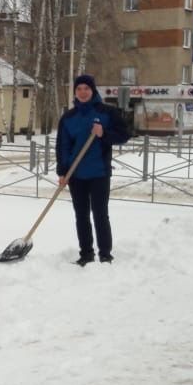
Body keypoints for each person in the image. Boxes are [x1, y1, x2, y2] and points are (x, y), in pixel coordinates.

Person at [56, 74, 131, 266]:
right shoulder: (68, 118)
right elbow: (63, 146)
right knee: (81, 215)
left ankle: (105, 254)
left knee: (100, 213)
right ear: (75, 92)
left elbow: (124, 134)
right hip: (76, 174)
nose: (82, 92)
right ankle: (86, 254)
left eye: (86, 89)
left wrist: (103, 133)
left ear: (93, 90)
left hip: (99, 173)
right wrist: (62, 172)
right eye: (79, 89)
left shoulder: (107, 113)